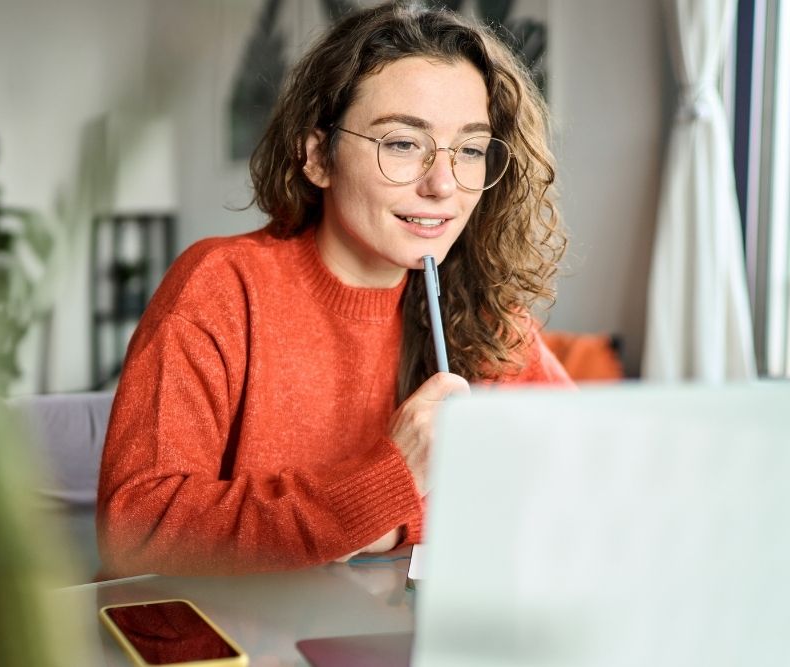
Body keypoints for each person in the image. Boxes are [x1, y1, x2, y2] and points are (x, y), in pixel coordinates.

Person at [96, 1, 572, 577]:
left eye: (469, 149)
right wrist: (389, 484)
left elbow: (581, 479)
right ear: (318, 156)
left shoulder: (483, 309)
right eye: (402, 143)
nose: (443, 184)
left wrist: (394, 522)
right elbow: (137, 534)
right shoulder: (222, 287)